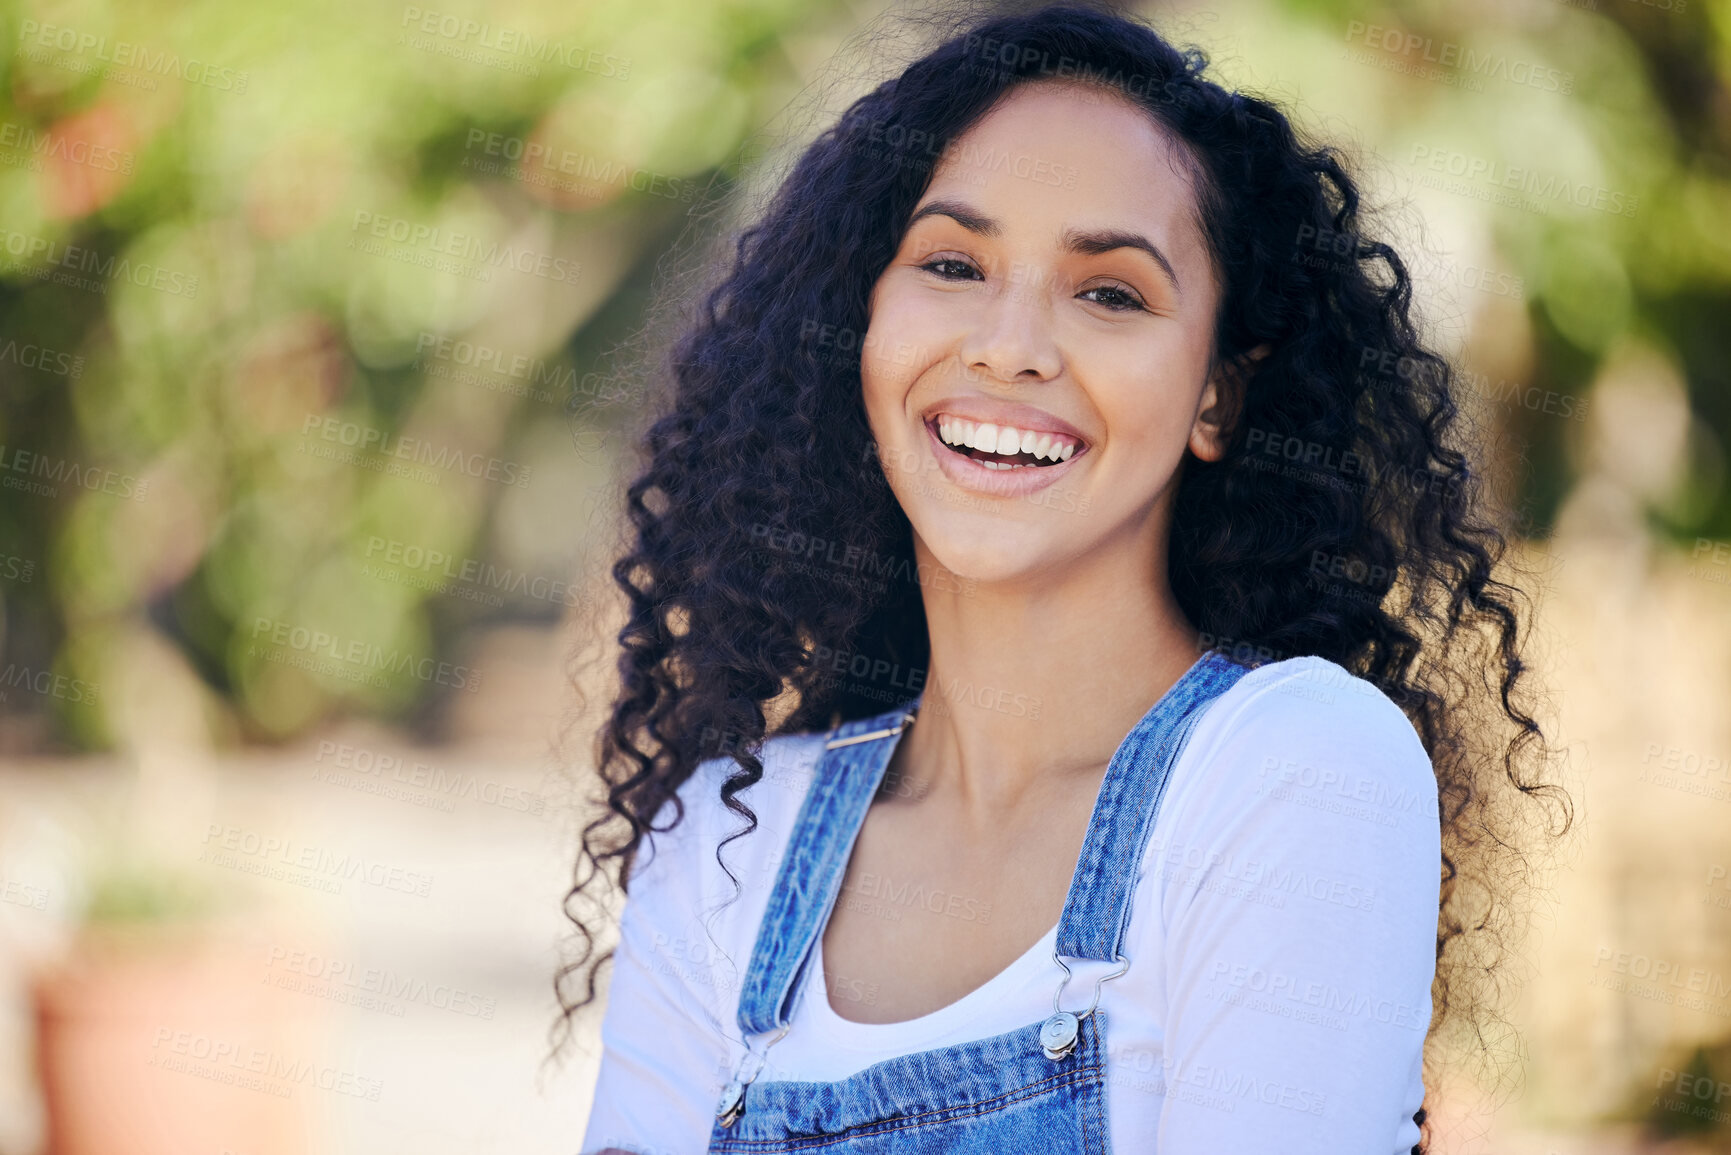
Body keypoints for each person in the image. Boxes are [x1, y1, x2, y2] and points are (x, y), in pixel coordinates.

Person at [559, 3, 1565, 1151]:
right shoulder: (724, 847)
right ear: (861, 330)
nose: (1012, 344)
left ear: (1217, 397)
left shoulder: (1292, 772)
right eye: (951, 264)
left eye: (1110, 292)